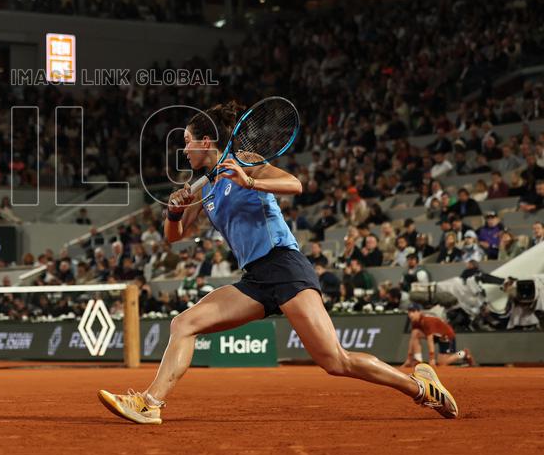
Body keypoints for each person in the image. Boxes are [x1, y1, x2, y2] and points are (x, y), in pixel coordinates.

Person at [98, 102, 458, 425]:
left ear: (207, 142)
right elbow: (174, 236)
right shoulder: (203, 188)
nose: (184, 148)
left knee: (335, 361)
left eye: (189, 140)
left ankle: (420, 388)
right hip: (255, 279)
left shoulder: (246, 161)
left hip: (284, 265)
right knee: (184, 323)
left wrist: (249, 180)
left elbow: (295, 184)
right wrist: (175, 213)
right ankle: (151, 403)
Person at [401, 304, 475, 369]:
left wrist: (432, 358)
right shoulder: (415, 322)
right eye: (409, 312)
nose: (411, 314)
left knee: (442, 363)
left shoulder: (426, 321)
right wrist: (409, 358)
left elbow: (430, 340)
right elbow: (412, 339)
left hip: (447, 336)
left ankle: (463, 353)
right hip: (437, 337)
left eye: (413, 311)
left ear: (419, 312)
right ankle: (418, 360)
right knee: (415, 333)